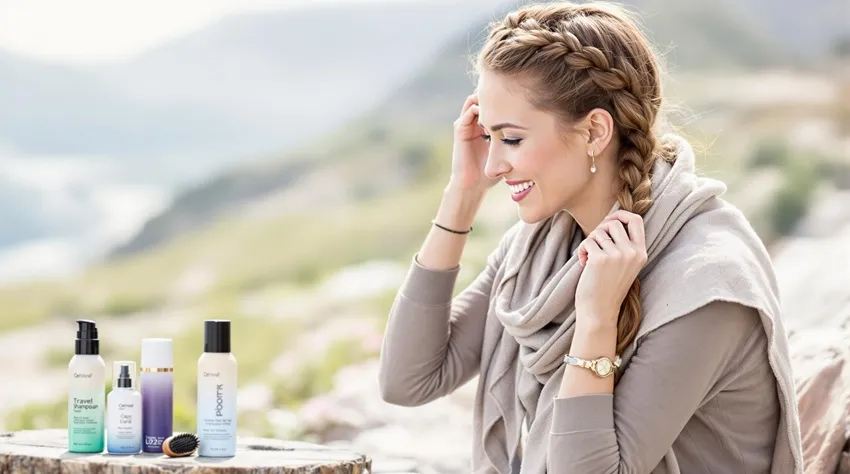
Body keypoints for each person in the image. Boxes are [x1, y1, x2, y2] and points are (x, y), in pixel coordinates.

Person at [377, 2, 804, 473]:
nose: (494, 165)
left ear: (595, 131)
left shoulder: (707, 283)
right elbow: (408, 379)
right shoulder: (541, 246)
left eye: (512, 139)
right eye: (487, 136)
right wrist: (460, 195)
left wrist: (597, 321)